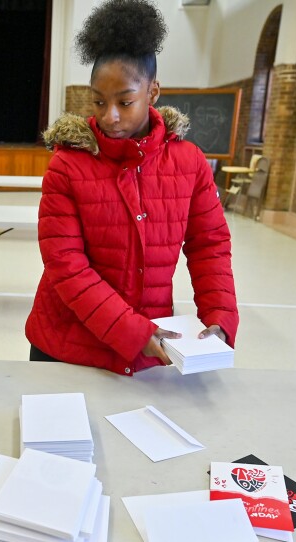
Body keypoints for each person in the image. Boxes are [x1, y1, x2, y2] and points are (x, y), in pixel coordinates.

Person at [25, 0, 238, 376]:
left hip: (147, 344)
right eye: (99, 101)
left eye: (125, 101)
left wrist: (219, 316)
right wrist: (131, 331)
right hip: (67, 346)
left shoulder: (189, 162)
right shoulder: (68, 165)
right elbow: (67, 267)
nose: (110, 116)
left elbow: (210, 246)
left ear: (153, 92)